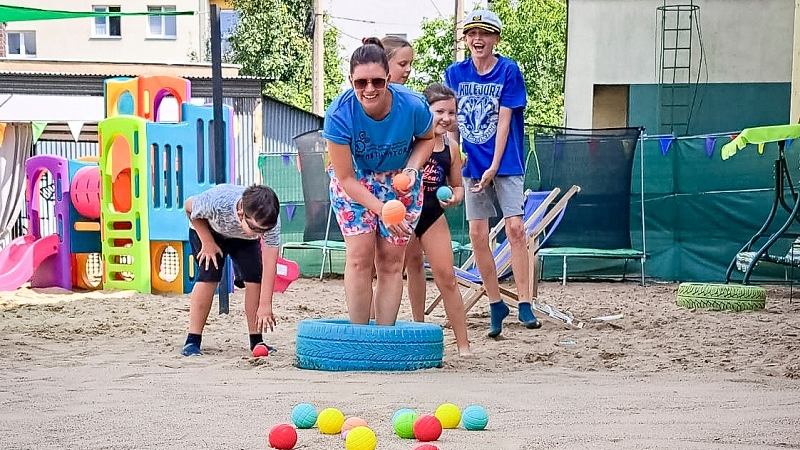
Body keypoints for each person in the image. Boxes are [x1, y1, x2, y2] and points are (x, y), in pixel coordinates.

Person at [323, 37, 435, 326]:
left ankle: (384, 338)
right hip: (356, 181)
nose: (369, 89)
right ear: (351, 81)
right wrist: (380, 208)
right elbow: (345, 177)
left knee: (391, 261)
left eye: (376, 81)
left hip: (399, 180)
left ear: (388, 78)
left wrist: (411, 169)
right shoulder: (339, 114)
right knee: (360, 257)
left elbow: (426, 139)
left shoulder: (413, 105)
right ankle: (359, 336)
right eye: (361, 82)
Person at [445, 9, 541, 338]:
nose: (477, 39)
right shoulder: (455, 74)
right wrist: (453, 161)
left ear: (495, 39)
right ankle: (496, 302)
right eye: (472, 33)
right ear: (466, 39)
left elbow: (504, 121)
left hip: (506, 161)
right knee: (476, 235)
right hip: (471, 164)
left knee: (516, 228)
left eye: (484, 33)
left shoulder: (508, 71)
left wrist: (494, 166)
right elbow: (452, 121)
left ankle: (525, 302)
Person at [404, 83, 472, 356]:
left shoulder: (452, 148)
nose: (446, 117)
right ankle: (417, 328)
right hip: (406, 213)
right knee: (404, 271)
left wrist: (455, 198)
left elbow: (457, 186)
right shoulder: (410, 141)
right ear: (425, 111)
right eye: (439, 111)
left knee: (447, 277)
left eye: (451, 112)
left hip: (432, 213)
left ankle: (463, 345)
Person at [181, 184, 281, 356]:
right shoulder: (217, 202)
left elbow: (270, 264)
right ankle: (192, 340)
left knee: (254, 280)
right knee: (208, 277)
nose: (262, 235)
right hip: (209, 231)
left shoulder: (268, 222)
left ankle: (256, 340)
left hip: (243, 238)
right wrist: (207, 242)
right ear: (242, 214)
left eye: (265, 231)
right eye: (257, 229)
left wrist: (266, 305)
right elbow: (189, 207)